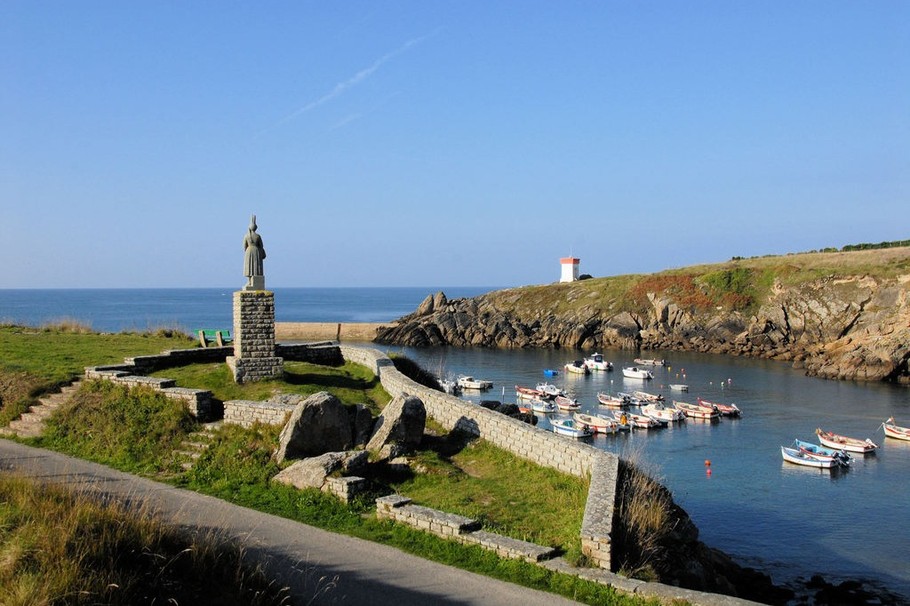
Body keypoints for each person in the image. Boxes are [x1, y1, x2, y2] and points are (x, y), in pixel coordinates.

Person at [243, 215, 266, 288]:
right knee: (256, 267)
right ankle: (253, 282)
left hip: (249, 251)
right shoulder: (258, 236)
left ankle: (250, 281)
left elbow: (244, 246)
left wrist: (247, 251)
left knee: (249, 267)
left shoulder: (246, 235)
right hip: (256, 251)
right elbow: (261, 246)